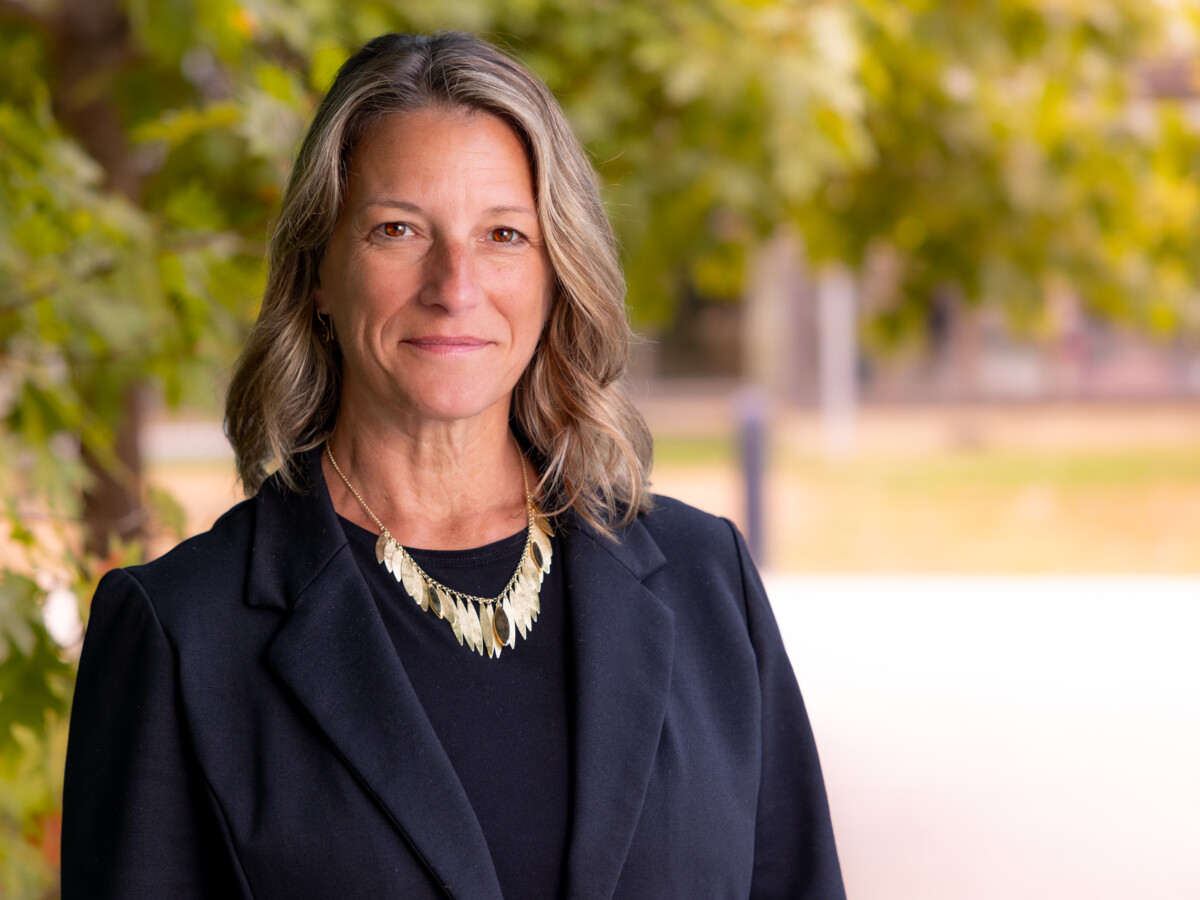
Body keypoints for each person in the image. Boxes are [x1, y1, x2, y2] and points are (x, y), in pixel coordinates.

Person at [61, 31, 845, 899]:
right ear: (318, 271)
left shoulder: (707, 583)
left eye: (504, 234)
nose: (455, 285)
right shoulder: (181, 636)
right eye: (397, 229)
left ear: (558, 274)